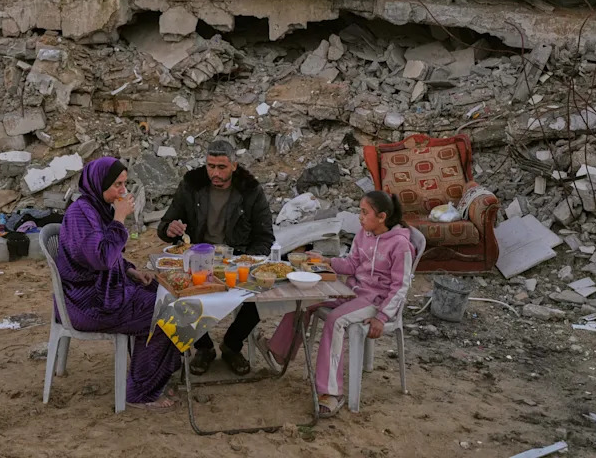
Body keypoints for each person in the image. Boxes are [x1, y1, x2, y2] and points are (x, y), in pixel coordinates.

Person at [260, 190, 414, 418]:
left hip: (375, 301)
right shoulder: (364, 234)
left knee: (335, 321)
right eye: (360, 211)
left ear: (382, 217)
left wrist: (382, 317)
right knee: (305, 300)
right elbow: (352, 264)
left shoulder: (400, 245)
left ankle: (332, 392)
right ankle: (279, 352)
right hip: (352, 291)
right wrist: (326, 261)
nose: (360, 217)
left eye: (365, 213)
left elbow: (400, 286)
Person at [55, 156, 182, 411]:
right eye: (117, 185)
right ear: (98, 183)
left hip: (101, 291)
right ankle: (140, 393)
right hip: (87, 303)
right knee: (165, 311)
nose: (123, 191)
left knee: (162, 291)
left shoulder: (96, 207)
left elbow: (111, 259)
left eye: (125, 184)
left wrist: (132, 271)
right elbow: (101, 258)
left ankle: (156, 371)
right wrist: (120, 218)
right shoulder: (81, 214)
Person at [158, 139, 273, 376]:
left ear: (234, 166)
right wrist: (170, 229)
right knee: (176, 296)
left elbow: (265, 237)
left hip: (236, 259)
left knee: (264, 296)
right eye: (211, 166)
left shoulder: (250, 190)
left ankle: (232, 344)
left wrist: (247, 260)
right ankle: (203, 347)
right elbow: (166, 224)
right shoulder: (192, 185)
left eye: (221, 167)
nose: (215, 173)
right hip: (198, 258)